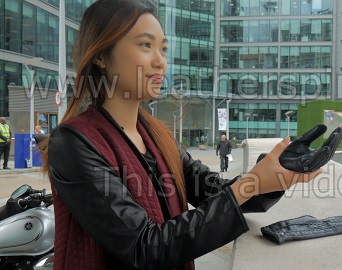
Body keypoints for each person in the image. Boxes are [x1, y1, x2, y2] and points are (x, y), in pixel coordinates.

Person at [39, 1, 325, 269]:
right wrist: (248, 186)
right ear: (101, 55)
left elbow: (217, 195)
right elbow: (144, 246)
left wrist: (276, 173)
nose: (160, 62)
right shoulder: (74, 142)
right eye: (145, 45)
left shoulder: (157, 134)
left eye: (162, 49)